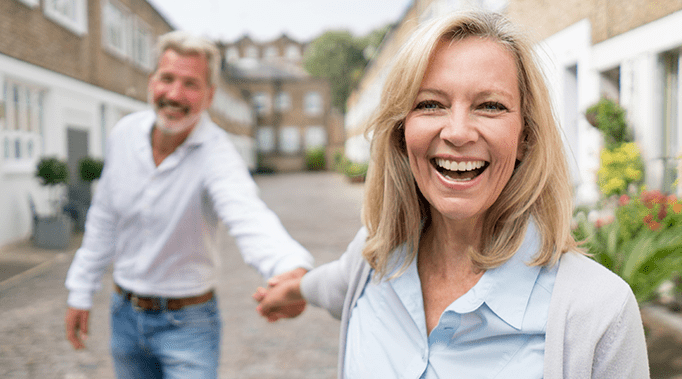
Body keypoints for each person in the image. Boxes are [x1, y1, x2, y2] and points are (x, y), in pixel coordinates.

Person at [254, 11, 650, 379]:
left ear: (525, 136)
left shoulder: (599, 312)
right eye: (430, 104)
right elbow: (330, 284)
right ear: (400, 131)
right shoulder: (374, 258)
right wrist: (291, 291)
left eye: (490, 106)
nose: (458, 132)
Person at [64, 30, 313, 378]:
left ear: (210, 95)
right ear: (152, 82)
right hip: (123, 314)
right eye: (167, 78)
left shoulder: (218, 154)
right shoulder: (124, 133)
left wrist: (290, 269)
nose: (175, 94)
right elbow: (104, 217)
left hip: (189, 324)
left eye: (191, 84)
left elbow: (248, 215)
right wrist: (80, 290)